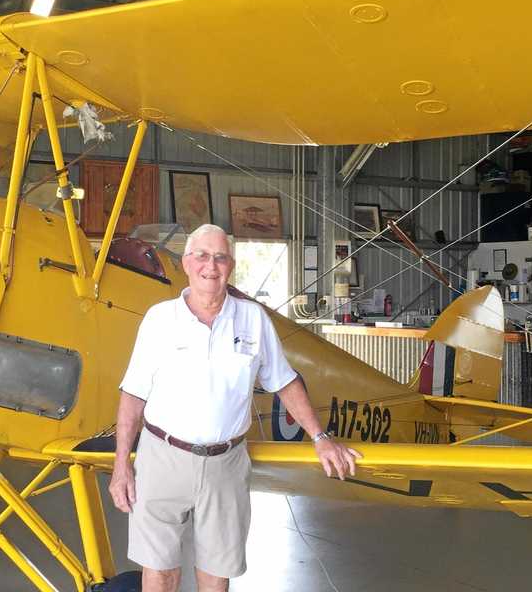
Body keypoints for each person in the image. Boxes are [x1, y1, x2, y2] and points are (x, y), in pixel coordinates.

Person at [109, 224, 361, 592]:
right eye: (202, 256)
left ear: (231, 266)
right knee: (159, 573)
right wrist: (121, 467)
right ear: (186, 264)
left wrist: (320, 437)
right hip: (162, 457)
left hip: (226, 463)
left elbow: (284, 381)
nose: (211, 266)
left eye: (220, 257)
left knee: (216, 573)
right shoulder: (159, 319)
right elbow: (133, 394)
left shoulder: (253, 318)